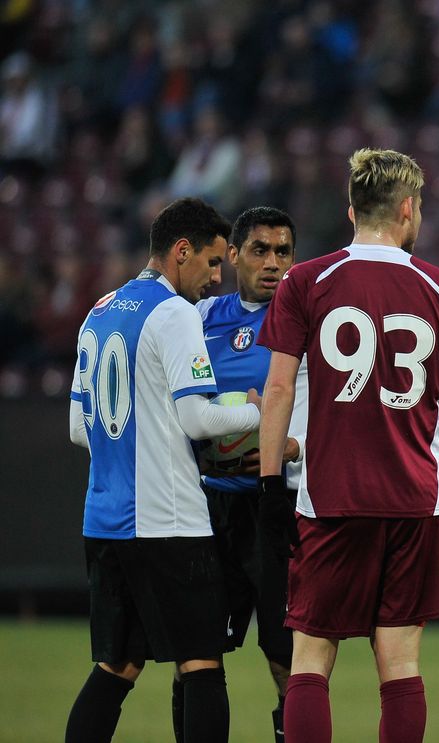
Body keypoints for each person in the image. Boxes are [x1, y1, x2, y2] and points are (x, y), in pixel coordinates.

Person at [255, 148, 439, 743]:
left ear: (352, 210)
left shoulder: (306, 281)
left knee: (311, 656)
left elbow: (278, 389)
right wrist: (429, 372)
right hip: (413, 498)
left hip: (331, 496)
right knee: (400, 661)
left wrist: (268, 484)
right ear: (408, 209)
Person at [66, 197, 261, 743]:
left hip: (104, 521)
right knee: (202, 663)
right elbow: (198, 418)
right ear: (181, 251)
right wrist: (257, 411)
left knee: (117, 667)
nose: (218, 277)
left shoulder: (100, 311)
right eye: (213, 261)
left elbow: (80, 429)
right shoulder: (174, 313)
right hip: (168, 524)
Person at [190, 206, 304, 743]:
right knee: (196, 653)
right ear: (233, 255)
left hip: (274, 506)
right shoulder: (199, 318)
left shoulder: (309, 321)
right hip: (207, 505)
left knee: (284, 653)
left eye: (283, 251)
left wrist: (293, 446)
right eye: (261, 250)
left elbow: (341, 411)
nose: (273, 262)